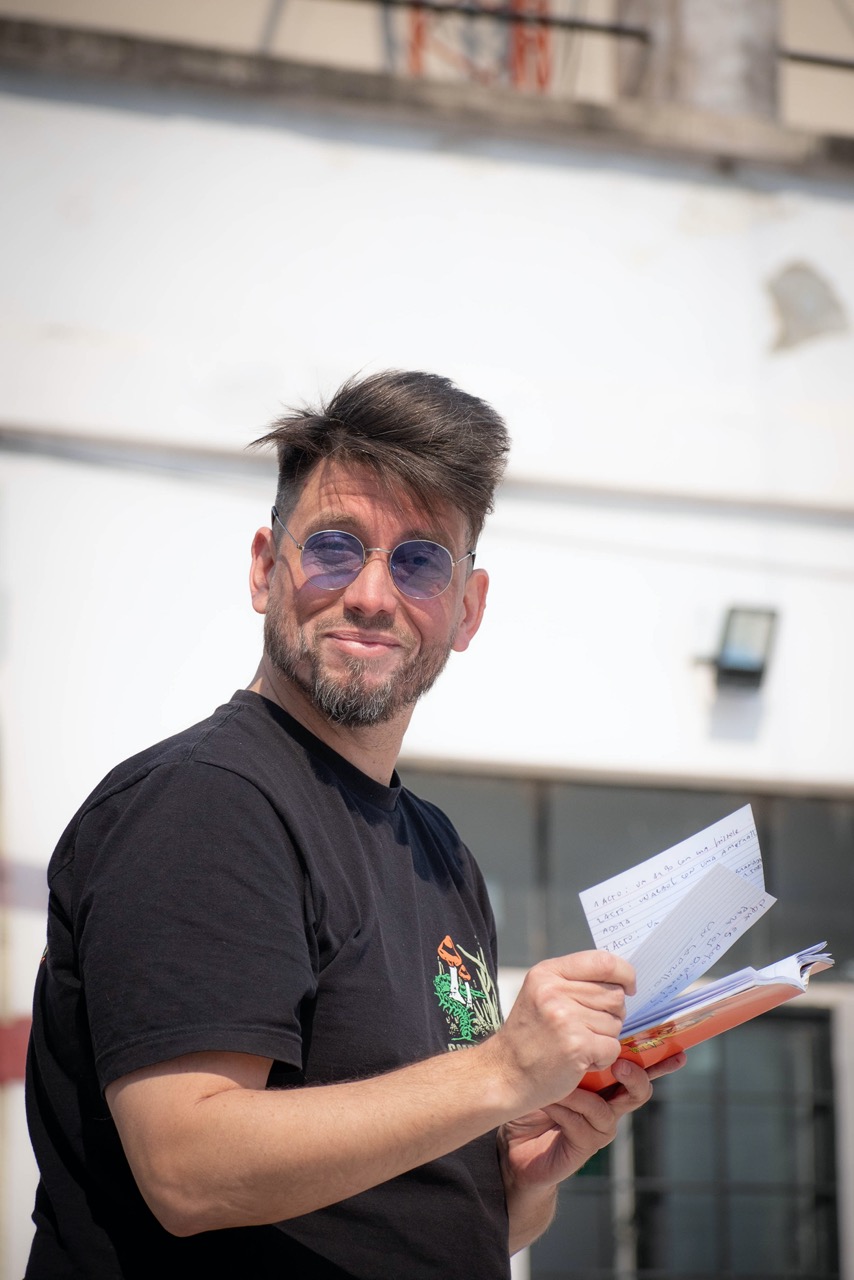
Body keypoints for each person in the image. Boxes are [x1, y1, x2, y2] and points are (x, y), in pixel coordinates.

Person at [25, 369, 684, 1279]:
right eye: (335, 548)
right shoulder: (206, 804)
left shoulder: (440, 853)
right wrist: (500, 1072)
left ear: (466, 609)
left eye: (420, 561)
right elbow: (190, 1171)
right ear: (265, 568)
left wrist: (518, 1175)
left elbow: (399, 1228)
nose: (372, 593)